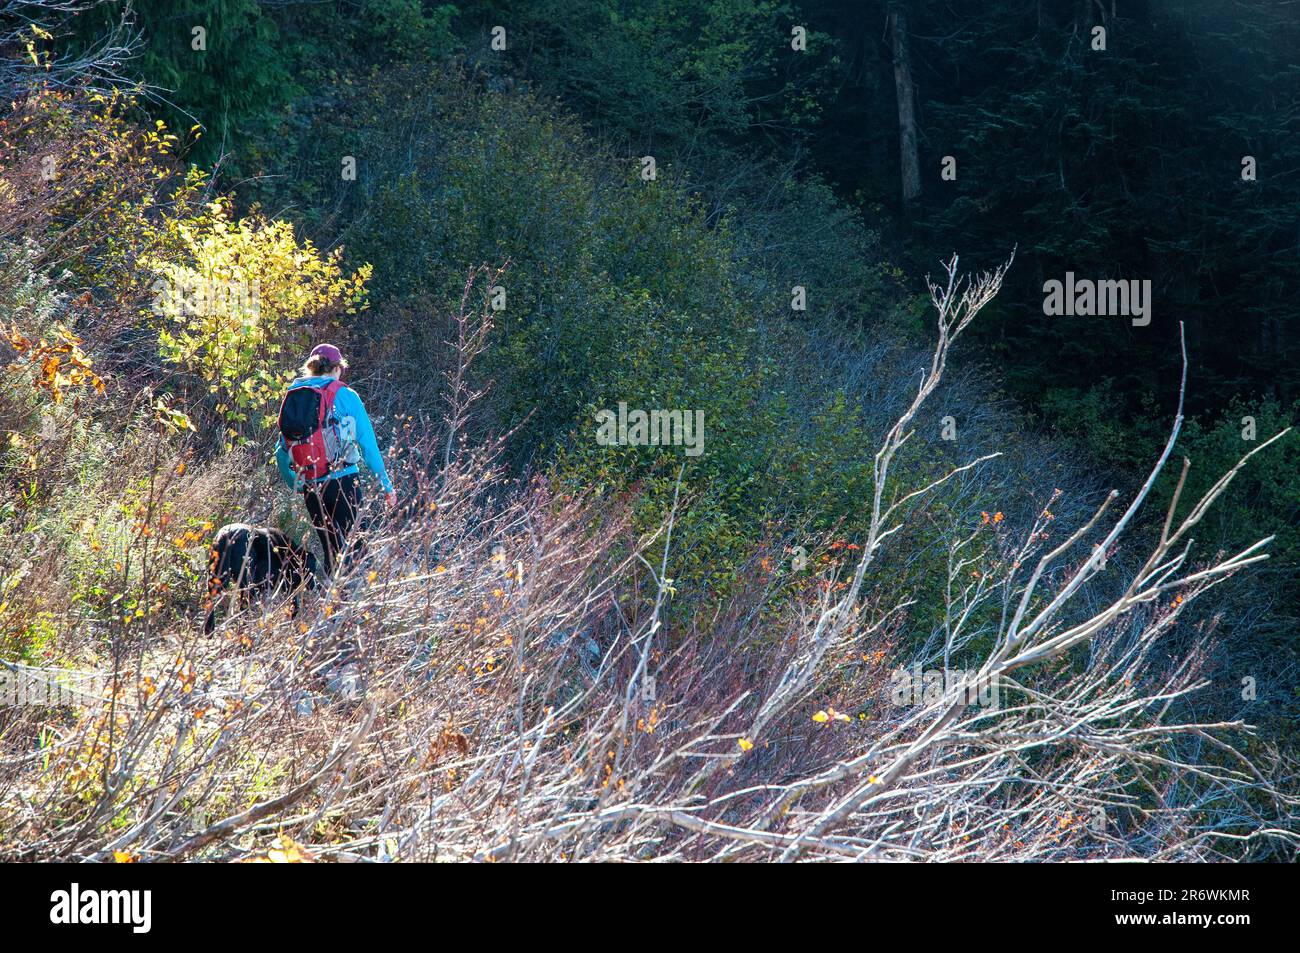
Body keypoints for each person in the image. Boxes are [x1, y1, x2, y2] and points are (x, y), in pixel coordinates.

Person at [275, 344, 395, 575]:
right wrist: (386, 485)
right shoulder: (345, 395)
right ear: (337, 368)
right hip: (345, 482)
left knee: (331, 551)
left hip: (312, 487)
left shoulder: (294, 395)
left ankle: (330, 605)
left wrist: (295, 483)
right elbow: (368, 445)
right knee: (355, 550)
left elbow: (281, 450)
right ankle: (351, 605)